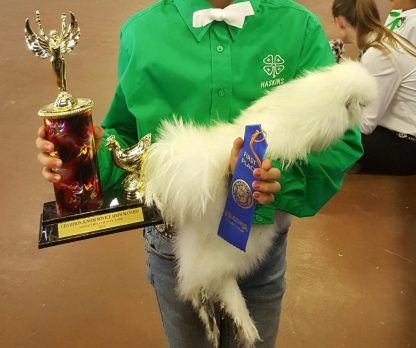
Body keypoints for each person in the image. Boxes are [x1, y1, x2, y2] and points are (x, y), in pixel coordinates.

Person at [36, 0, 363, 346]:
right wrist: (81, 156)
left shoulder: (297, 29)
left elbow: (342, 141)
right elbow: (128, 137)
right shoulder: (141, 34)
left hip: (259, 246)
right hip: (175, 245)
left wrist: (279, 180)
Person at [333, 0, 416, 175]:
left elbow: (365, 125)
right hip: (398, 137)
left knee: (330, 139)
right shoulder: (382, 43)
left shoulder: (379, 53)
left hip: (407, 146)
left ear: (339, 21)